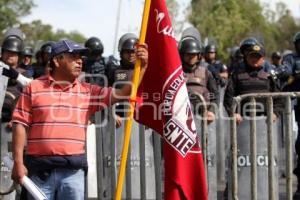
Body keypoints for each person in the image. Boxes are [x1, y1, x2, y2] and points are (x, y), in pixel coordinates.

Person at [11, 39, 148, 200]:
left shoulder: (88, 91)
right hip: (40, 172)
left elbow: (124, 93)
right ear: (56, 60)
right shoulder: (33, 88)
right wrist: (18, 163)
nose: (79, 61)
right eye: (73, 57)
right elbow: (20, 124)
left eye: (80, 57)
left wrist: (143, 67)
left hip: (73, 173)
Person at [224, 43, 280, 123]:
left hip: (265, 123)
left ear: (263, 59)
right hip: (242, 122)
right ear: (246, 57)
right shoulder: (237, 76)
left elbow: (279, 98)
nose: (254, 59)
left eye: (257, 57)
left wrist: (275, 113)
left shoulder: (269, 77)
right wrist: (233, 113)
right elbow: (228, 98)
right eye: (252, 56)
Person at [178, 37, 219, 123]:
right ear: (182, 55)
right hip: (181, 118)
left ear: (199, 56)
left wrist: (211, 111)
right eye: (188, 54)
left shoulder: (206, 72)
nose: (191, 57)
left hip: (204, 118)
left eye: (194, 55)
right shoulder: (176, 73)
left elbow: (215, 94)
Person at [281, 31, 300, 199]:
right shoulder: (291, 59)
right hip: (295, 107)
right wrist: (287, 73)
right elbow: (285, 70)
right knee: (299, 144)